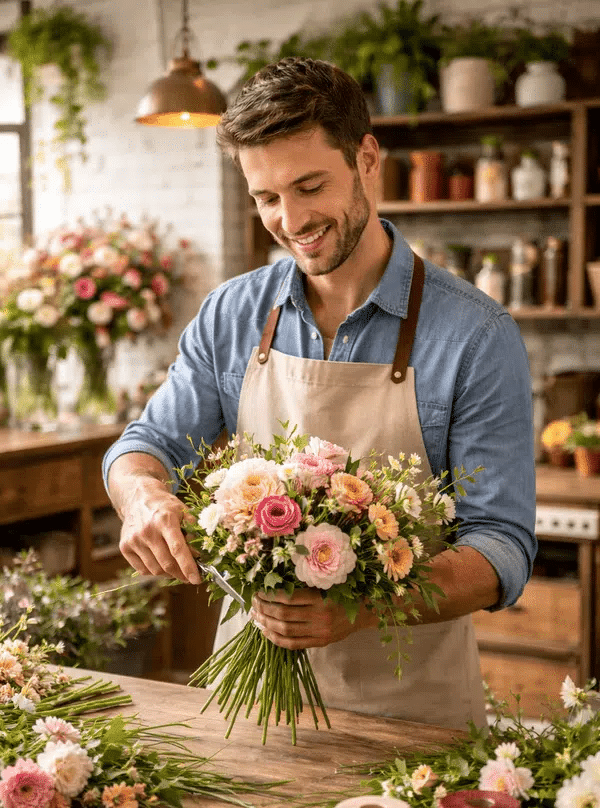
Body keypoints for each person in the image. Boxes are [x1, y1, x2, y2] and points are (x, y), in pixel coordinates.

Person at [103, 57, 537, 731]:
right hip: (252, 713)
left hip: (413, 722)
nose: (292, 219)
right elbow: (145, 446)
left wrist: (365, 606)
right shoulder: (232, 315)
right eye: (267, 198)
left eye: (310, 186)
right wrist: (143, 498)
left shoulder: (476, 334)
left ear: (367, 158)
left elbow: (501, 547)